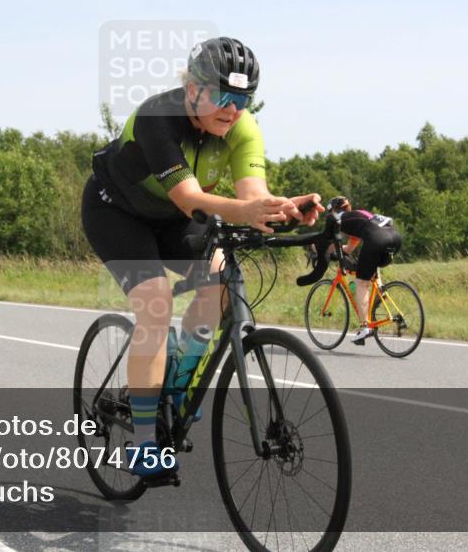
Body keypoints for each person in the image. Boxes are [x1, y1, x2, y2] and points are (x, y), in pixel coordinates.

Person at [83, 37, 322, 476]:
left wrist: (283, 208)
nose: (232, 109)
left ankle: (177, 381)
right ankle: (144, 441)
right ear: (193, 88)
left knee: (220, 282)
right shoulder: (160, 118)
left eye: (243, 98)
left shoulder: (242, 128)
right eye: (222, 95)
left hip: (176, 218)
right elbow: (190, 196)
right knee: (156, 304)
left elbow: (253, 197)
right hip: (117, 212)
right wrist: (247, 211)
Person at [326, 197, 402, 345]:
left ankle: (365, 327)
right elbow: (349, 249)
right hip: (395, 238)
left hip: (377, 238)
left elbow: (327, 242)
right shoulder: (359, 216)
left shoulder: (339, 219)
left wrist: (320, 251)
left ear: (334, 211)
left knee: (361, 282)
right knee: (370, 267)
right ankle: (381, 292)